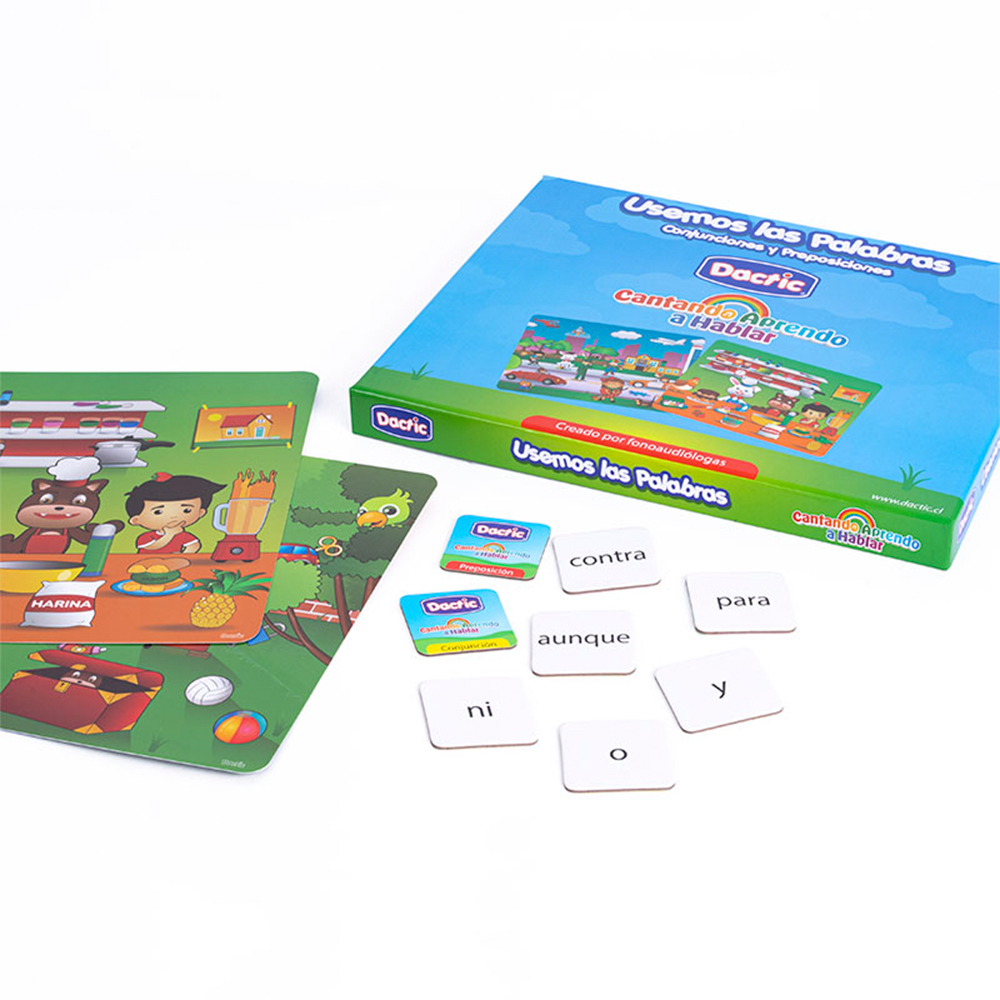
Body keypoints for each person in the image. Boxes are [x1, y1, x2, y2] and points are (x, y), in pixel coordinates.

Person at [125, 472, 225, 553]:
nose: (173, 516)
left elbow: (194, 546)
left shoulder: (182, 535)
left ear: (201, 512)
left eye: (187, 510)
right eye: (158, 512)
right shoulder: (146, 537)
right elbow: (151, 547)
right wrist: (169, 535)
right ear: (136, 520)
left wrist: (184, 555)